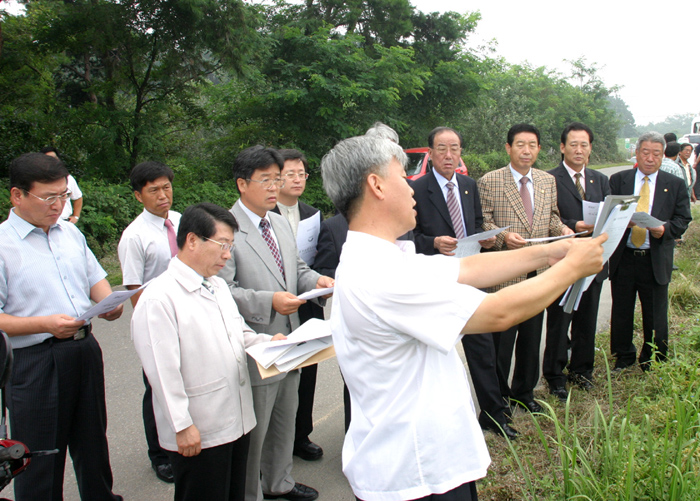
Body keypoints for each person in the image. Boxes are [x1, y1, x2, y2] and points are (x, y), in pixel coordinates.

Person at [319, 135, 605, 501]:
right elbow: (497, 312)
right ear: (375, 185)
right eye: (400, 177)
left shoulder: (386, 258)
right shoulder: (381, 275)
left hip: (427, 460)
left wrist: (551, 252)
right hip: (416, 473)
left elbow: (467, 267)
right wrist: (571, 269)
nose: (411, 188)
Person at [132, 203, 286, 501]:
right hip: (200, 430)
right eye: (223, 245)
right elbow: (162, 373)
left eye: (231, 246)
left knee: (233, 493)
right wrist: (182, 425)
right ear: (192, 240)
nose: (228, 255)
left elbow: (240, 333)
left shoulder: (216, 285)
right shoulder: (159, 298)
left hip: (237, 419)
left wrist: (270, 344)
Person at [0, 152, 123, 500]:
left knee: (93, 442)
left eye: (64, 196)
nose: (58, 205)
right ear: (17, 195)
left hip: (83, 350)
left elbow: (96, 279)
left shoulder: (69, 234)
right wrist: (45, 324)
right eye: (49, 197)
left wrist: (107, 305)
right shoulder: (3, 245)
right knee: (40, 455)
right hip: (34, 361)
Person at [219, 145, 334, 501]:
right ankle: (249, 490)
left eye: (277, 179)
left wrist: (317, 281)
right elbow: (222, 290)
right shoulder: (225, 228)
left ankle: (278, 483)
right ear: (242, 183)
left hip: (290, 337)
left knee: (286, 415)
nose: (274, 187)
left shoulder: (279, 221)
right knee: (257, 427)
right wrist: (269, 300)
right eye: (265, 180)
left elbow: (295, 270)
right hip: (255, 342)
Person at [412, 127, 516, 440]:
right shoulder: (416, 190)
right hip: (436, 282)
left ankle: (494, 415)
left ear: (460, 152)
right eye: (441, 148)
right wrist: (432, 242)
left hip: (470, 279)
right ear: (430, 153)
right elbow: (408, 238)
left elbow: (477, 226)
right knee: (433, 355)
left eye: (454, 148)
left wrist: (486, 241)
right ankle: (436, 423)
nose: (448, 155)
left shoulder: (469, 186)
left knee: (482, 349)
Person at [477, 123, 573, 413]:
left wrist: (564, 229)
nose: (526, 150)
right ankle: (499, 397)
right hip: (506, 273)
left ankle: (524, 392)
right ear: (508, 148)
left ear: (539, 149)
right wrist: (505, 237)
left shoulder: (546, 181)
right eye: (520, 144)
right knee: (502, 340)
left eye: (532, 144)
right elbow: (483, 222)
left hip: (539, 273)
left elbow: (552, 218)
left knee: (532, 339)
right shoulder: (490, 181)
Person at [609, 132, 691, 371]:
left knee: (655, 313)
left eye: (656, 154)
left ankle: (653, 359)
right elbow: (609, 213)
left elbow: (683, 218)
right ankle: (623, 357)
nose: (650, 158)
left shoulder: (673, 184)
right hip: (624, 257)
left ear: (662, 156)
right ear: (636, 153)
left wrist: (664, 229)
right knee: (622, 310)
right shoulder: (619, 180)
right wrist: (623, 221)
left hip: (654, 257)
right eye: (645, 152)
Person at [118, 161, 178, 483]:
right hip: (156, 321)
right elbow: (133, 290)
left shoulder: (183, 223)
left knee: (183, 382)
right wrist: (151, 330)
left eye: (166, 186)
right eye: (153, 190)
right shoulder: (135, 236)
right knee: (156, 387)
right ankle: (159, 455)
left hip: (187, 317)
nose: (162, 195)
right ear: (139, 195)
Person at [543, 123, 610, 401]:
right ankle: (555, 376)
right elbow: (546, 218)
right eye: (573, 144)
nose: (579, 150)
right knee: (560, 320)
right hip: (562, 259)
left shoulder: (600, 180)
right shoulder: (548, 179)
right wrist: (574, 224)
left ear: (590, 148)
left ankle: (582, 372)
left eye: (584, 145)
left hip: (592, 260)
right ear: (562, 147)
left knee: (586, 320)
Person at [271, 148, 325, 461]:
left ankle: (300, 435)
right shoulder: (266, 215)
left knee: (308, 370)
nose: (297, 179)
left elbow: (322, 256)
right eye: (289, 174)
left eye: (301, 173)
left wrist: (323, 281)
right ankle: (274, 441)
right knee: (280, 371)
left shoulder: (312, 214)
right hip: (277, 305)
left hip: (308, 302)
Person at [40, 147, 84, 224]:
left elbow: (78, 197)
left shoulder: (68, 178)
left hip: (65, 222)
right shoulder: (38, 181)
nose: (52, 161)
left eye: (54, 158)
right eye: (48, 159)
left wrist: (76, 216)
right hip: (44, 224)